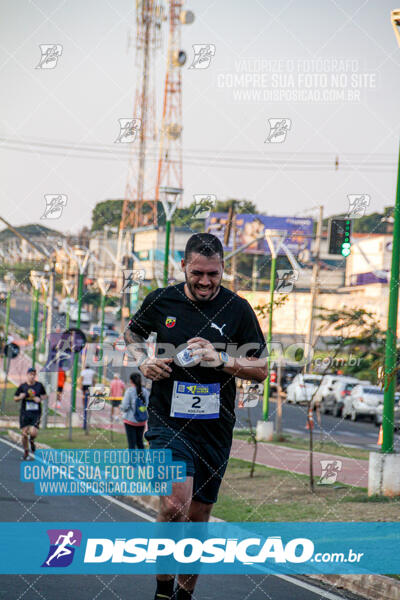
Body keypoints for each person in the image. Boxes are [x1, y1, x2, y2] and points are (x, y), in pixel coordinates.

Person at [124, 232, 267, 600]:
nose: (205, 282)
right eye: (198, 273)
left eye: (213, 275)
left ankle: (185, 595)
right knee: (175, 502)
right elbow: (132, 332)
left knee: (199, 515)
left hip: (215, 426)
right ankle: (162, 591)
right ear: (184, 266)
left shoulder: (238, 309)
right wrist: (144, 359)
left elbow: (262, 367)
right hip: (168, 419)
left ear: (223, 270)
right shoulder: (161, 300)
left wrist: (223, 361)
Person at [14, 367, 47, 460]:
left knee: (33, 432)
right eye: (30, 374)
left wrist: (40, 399)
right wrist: (20, 397)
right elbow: (15, 398)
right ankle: (26, 451)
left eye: (33, 375)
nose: (32, 376)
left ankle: (32, 441)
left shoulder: (39, 386)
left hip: (36, 413)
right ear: (27, 375)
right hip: (25, 413)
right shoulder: (22, 386)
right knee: (24, 433)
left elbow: (45, 395)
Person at [120, 373, 149, 449]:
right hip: (141, 421)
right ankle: (142, 460)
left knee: (131, 444)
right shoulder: (145, 392)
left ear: (131, 381)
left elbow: (125, 407)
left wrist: (121, 408)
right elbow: (148, 406)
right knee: (140, 442)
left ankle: (132, 461)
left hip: (130, 421)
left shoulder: (129, 391)